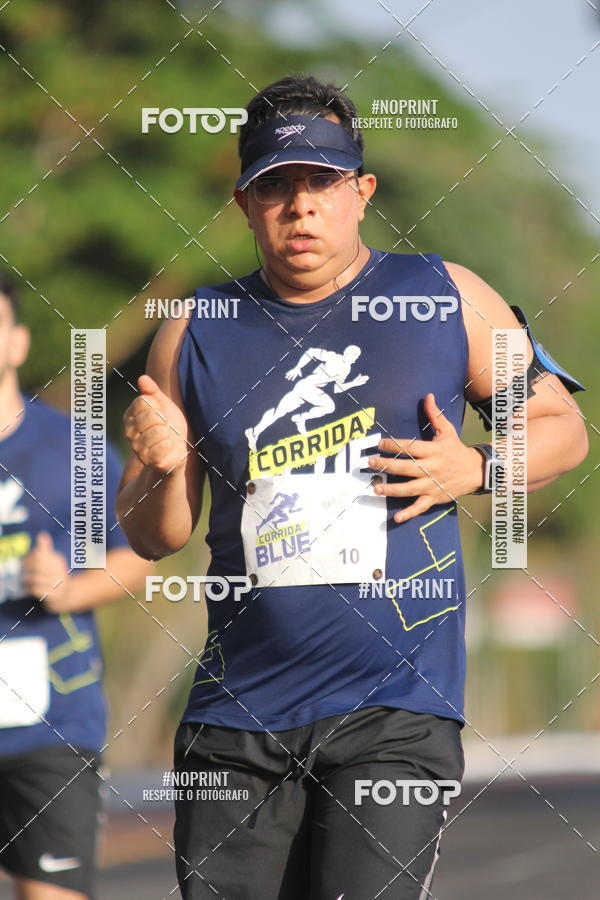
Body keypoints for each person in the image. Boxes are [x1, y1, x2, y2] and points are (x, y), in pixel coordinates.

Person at [116, 75, 589, 900]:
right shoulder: (195, 330)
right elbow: (154, 535)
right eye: (276, 186)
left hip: (394, 710)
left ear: (360, 191)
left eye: (321, 183)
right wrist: (155, 470)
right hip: (237, 715)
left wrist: (476, 468)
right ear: (244, 201)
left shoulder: (447, 297)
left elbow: (563, 430)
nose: (301, 207)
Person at [0, 273, 149, 900]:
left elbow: (137, 557)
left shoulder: (71, 449)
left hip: (49, 724)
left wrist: (64, 589)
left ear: (17, 342)